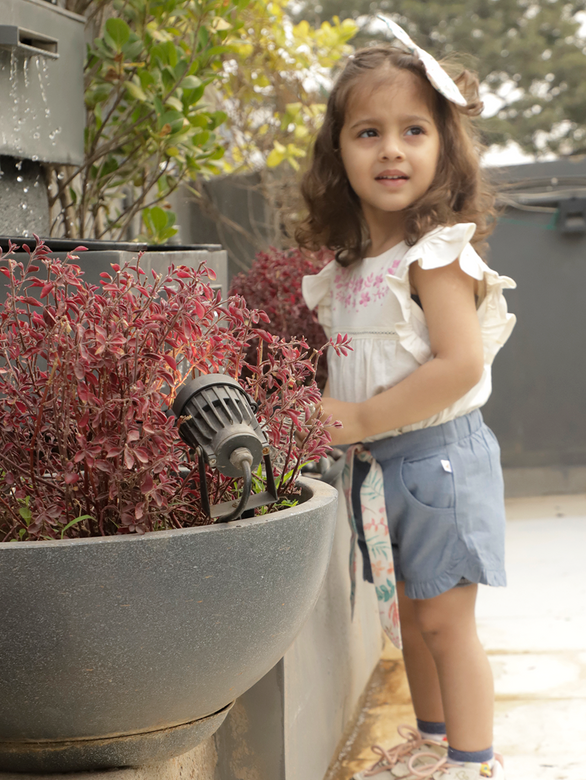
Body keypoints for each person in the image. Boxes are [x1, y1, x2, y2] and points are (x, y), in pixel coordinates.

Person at [297, 19, 516, 780]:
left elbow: (458, 364)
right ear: (338, 155)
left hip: (440, 463)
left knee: (448, 625)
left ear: (443, 148)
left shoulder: (435, 256)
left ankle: (472, 760)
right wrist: (330, 423)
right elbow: (349, 364)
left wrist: (357, 420)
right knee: (413, 623)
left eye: (413, 130)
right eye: (368, 132)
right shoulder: (353, 264)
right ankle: (431, 742)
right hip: (385, 466)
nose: (391, 148)